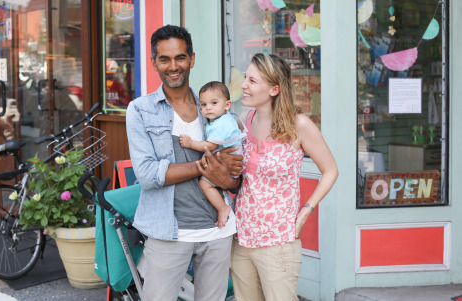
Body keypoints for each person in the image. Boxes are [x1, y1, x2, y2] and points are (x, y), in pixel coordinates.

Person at [125, 25, 243, 301]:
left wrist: (227, 176)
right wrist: (206, 166)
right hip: (168, 233)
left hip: (216, 230)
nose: (173, 66)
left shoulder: (215, 110)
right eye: (164, 59)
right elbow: (147, 174)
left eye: (180, 57)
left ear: (192, 59)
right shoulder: (140, 110)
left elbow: (235, 177)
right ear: (154, 62)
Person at [228, 53, 339, 301]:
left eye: (252, 81)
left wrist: (306, 210)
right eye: (246, 78)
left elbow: (331, 170)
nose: (244, 85)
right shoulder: (245, 120)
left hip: (278, 241)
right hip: (242, 237)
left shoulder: (299, 125)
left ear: (274, 89)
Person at [179, 81, 245, 228]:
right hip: (230, 160)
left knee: (204, 184)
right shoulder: (220, 120)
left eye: (214, 103)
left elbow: (210, 146)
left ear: (227, 105)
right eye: (203, 104)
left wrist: (191, 143)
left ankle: (223, 208)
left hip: (232, 162)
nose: (208, 108)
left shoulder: (222, 123)